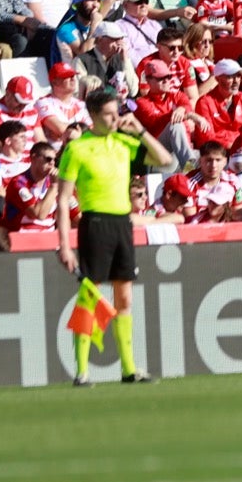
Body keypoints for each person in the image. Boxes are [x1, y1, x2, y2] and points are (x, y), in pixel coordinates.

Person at [54, 87, 174, 386]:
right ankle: (81, 371)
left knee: (124, 297)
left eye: (116, 111)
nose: (115, 117)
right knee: (90, 297)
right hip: (94, 223)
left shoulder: (123, 142)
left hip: (122, 223)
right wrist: (65, 245)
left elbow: (166, 161)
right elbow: (62, 198)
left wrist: (141, 130)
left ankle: (129, 369)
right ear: (93, 115)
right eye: (108, 113)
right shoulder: (78, 148)